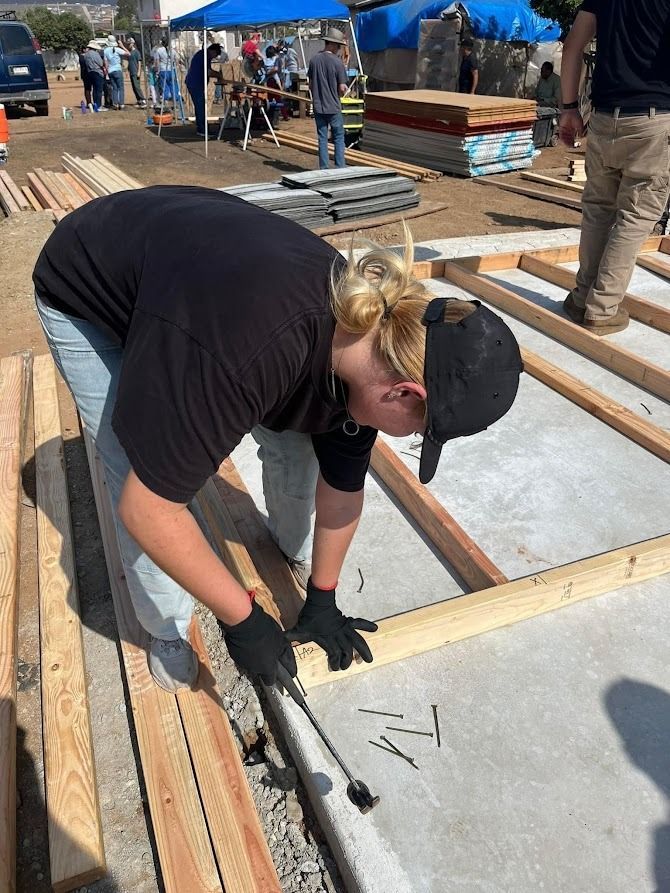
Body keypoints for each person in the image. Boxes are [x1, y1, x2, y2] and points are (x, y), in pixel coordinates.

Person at [32, 188, 522, 692]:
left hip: (192, 277)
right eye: (419, 430)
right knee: (131, 463)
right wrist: (244, 620)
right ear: (404, 392)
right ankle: (167, 630)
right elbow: (147, 511)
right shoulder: (245, 357)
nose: (411, 436)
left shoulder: (376, 345)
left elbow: (343, 487)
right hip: (89, 280)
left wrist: (323, 597)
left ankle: (292, 552)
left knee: (298, 442)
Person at [560, 0, 670, 335]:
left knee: (598, 209)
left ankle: (582, 297)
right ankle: (602, 308)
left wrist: (569, 107)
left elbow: (573, 46)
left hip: (605, 118)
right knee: (636, 216)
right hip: (653, 119)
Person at [307, 28, 349, 169]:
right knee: (338, 137)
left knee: (322, 138)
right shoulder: (338, 63)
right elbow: (342, 88)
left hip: (319, 106)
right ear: (332, 44)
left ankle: (324, 168)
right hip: (334, 107)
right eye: (338, 46)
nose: (339, 49)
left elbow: (311, 85)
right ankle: (340, 167)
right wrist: (343, 92)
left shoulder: (314, 60)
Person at [185, 42, 225, 137]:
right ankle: (202, 129)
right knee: (200, 107)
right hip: (195, 84)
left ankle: (202, 127)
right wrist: (219, 75)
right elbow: (209, 72)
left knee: (200, 106)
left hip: (195, 83)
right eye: (215, 55)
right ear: (213, 51)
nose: (214, 57)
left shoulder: (203, 54)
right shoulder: (204, 56)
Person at [103, 35, 128, 110]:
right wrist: (122, 46)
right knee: (120, 87)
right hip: (117, 69)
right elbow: (128, 53)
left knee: (114, 88)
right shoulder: (117, 49)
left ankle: (115, 103)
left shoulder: (105, 50)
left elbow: (106, 62)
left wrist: (107, 71)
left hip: (110, 71)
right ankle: (121, 104)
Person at [153, 38, 180, 103]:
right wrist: (176, 67)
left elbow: (157, 62)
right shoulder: (172, 50)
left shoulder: (159, 50)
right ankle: (175, 99)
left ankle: (166, 99)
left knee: (164, 85)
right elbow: (177, 60)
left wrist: (157, 71)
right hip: (171, 70)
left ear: (162, 43)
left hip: (163, 70)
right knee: (173, 85)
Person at [82, 40, 107, 112]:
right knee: (98, 89)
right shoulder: (95, 54)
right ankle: (98, 105)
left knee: (94, 90)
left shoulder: (86, 55)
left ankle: (95, 104)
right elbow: (101, 63)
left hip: (90, 72)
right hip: (97, 72)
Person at [124, 37, 146, 109]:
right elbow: (129, 62)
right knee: (134, 87)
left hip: (136, 71)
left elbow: (139, 62)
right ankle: (139, 100)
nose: (128, 45)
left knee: (137, 87)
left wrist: (139, 71)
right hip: (131, 71)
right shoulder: (130, 52)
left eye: (129, 44)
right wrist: (127, 71)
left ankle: (143, 100)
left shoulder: (136, 52)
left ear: (132, 44)